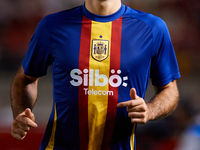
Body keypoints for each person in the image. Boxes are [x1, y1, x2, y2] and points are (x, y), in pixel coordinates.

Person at [10, 0, 181, 149]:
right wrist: (21, 114)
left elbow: (170, 90)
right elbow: (25, 78)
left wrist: (150, 110)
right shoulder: (52, 26)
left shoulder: (153, 28)